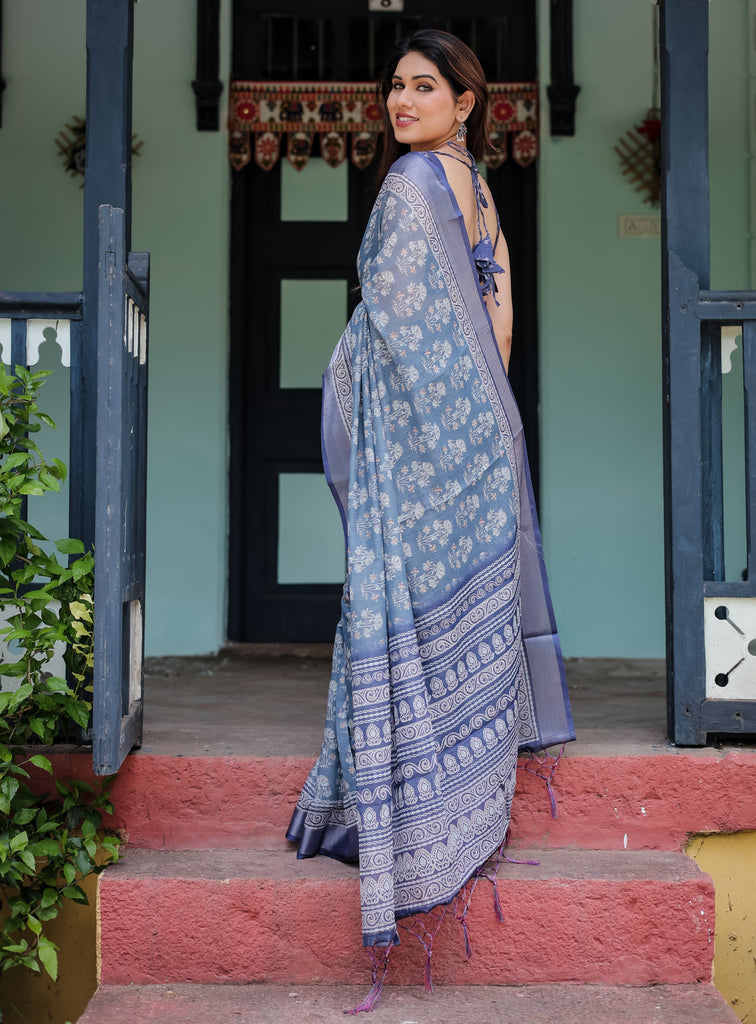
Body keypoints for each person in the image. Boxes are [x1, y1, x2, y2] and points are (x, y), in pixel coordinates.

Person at [286, 28, 574, 1010]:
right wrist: (478, 423)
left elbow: (402, 325)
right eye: (394, 88)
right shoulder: (477, 186)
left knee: (398, 608)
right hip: (480, 430)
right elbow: (495, 326)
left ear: (464, 99)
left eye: (422, 87)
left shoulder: (413, 184)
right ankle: (462, 808)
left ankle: (412, 821)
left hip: (427, 440)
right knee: (452, 614)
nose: (401, 103)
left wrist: (372, 399)